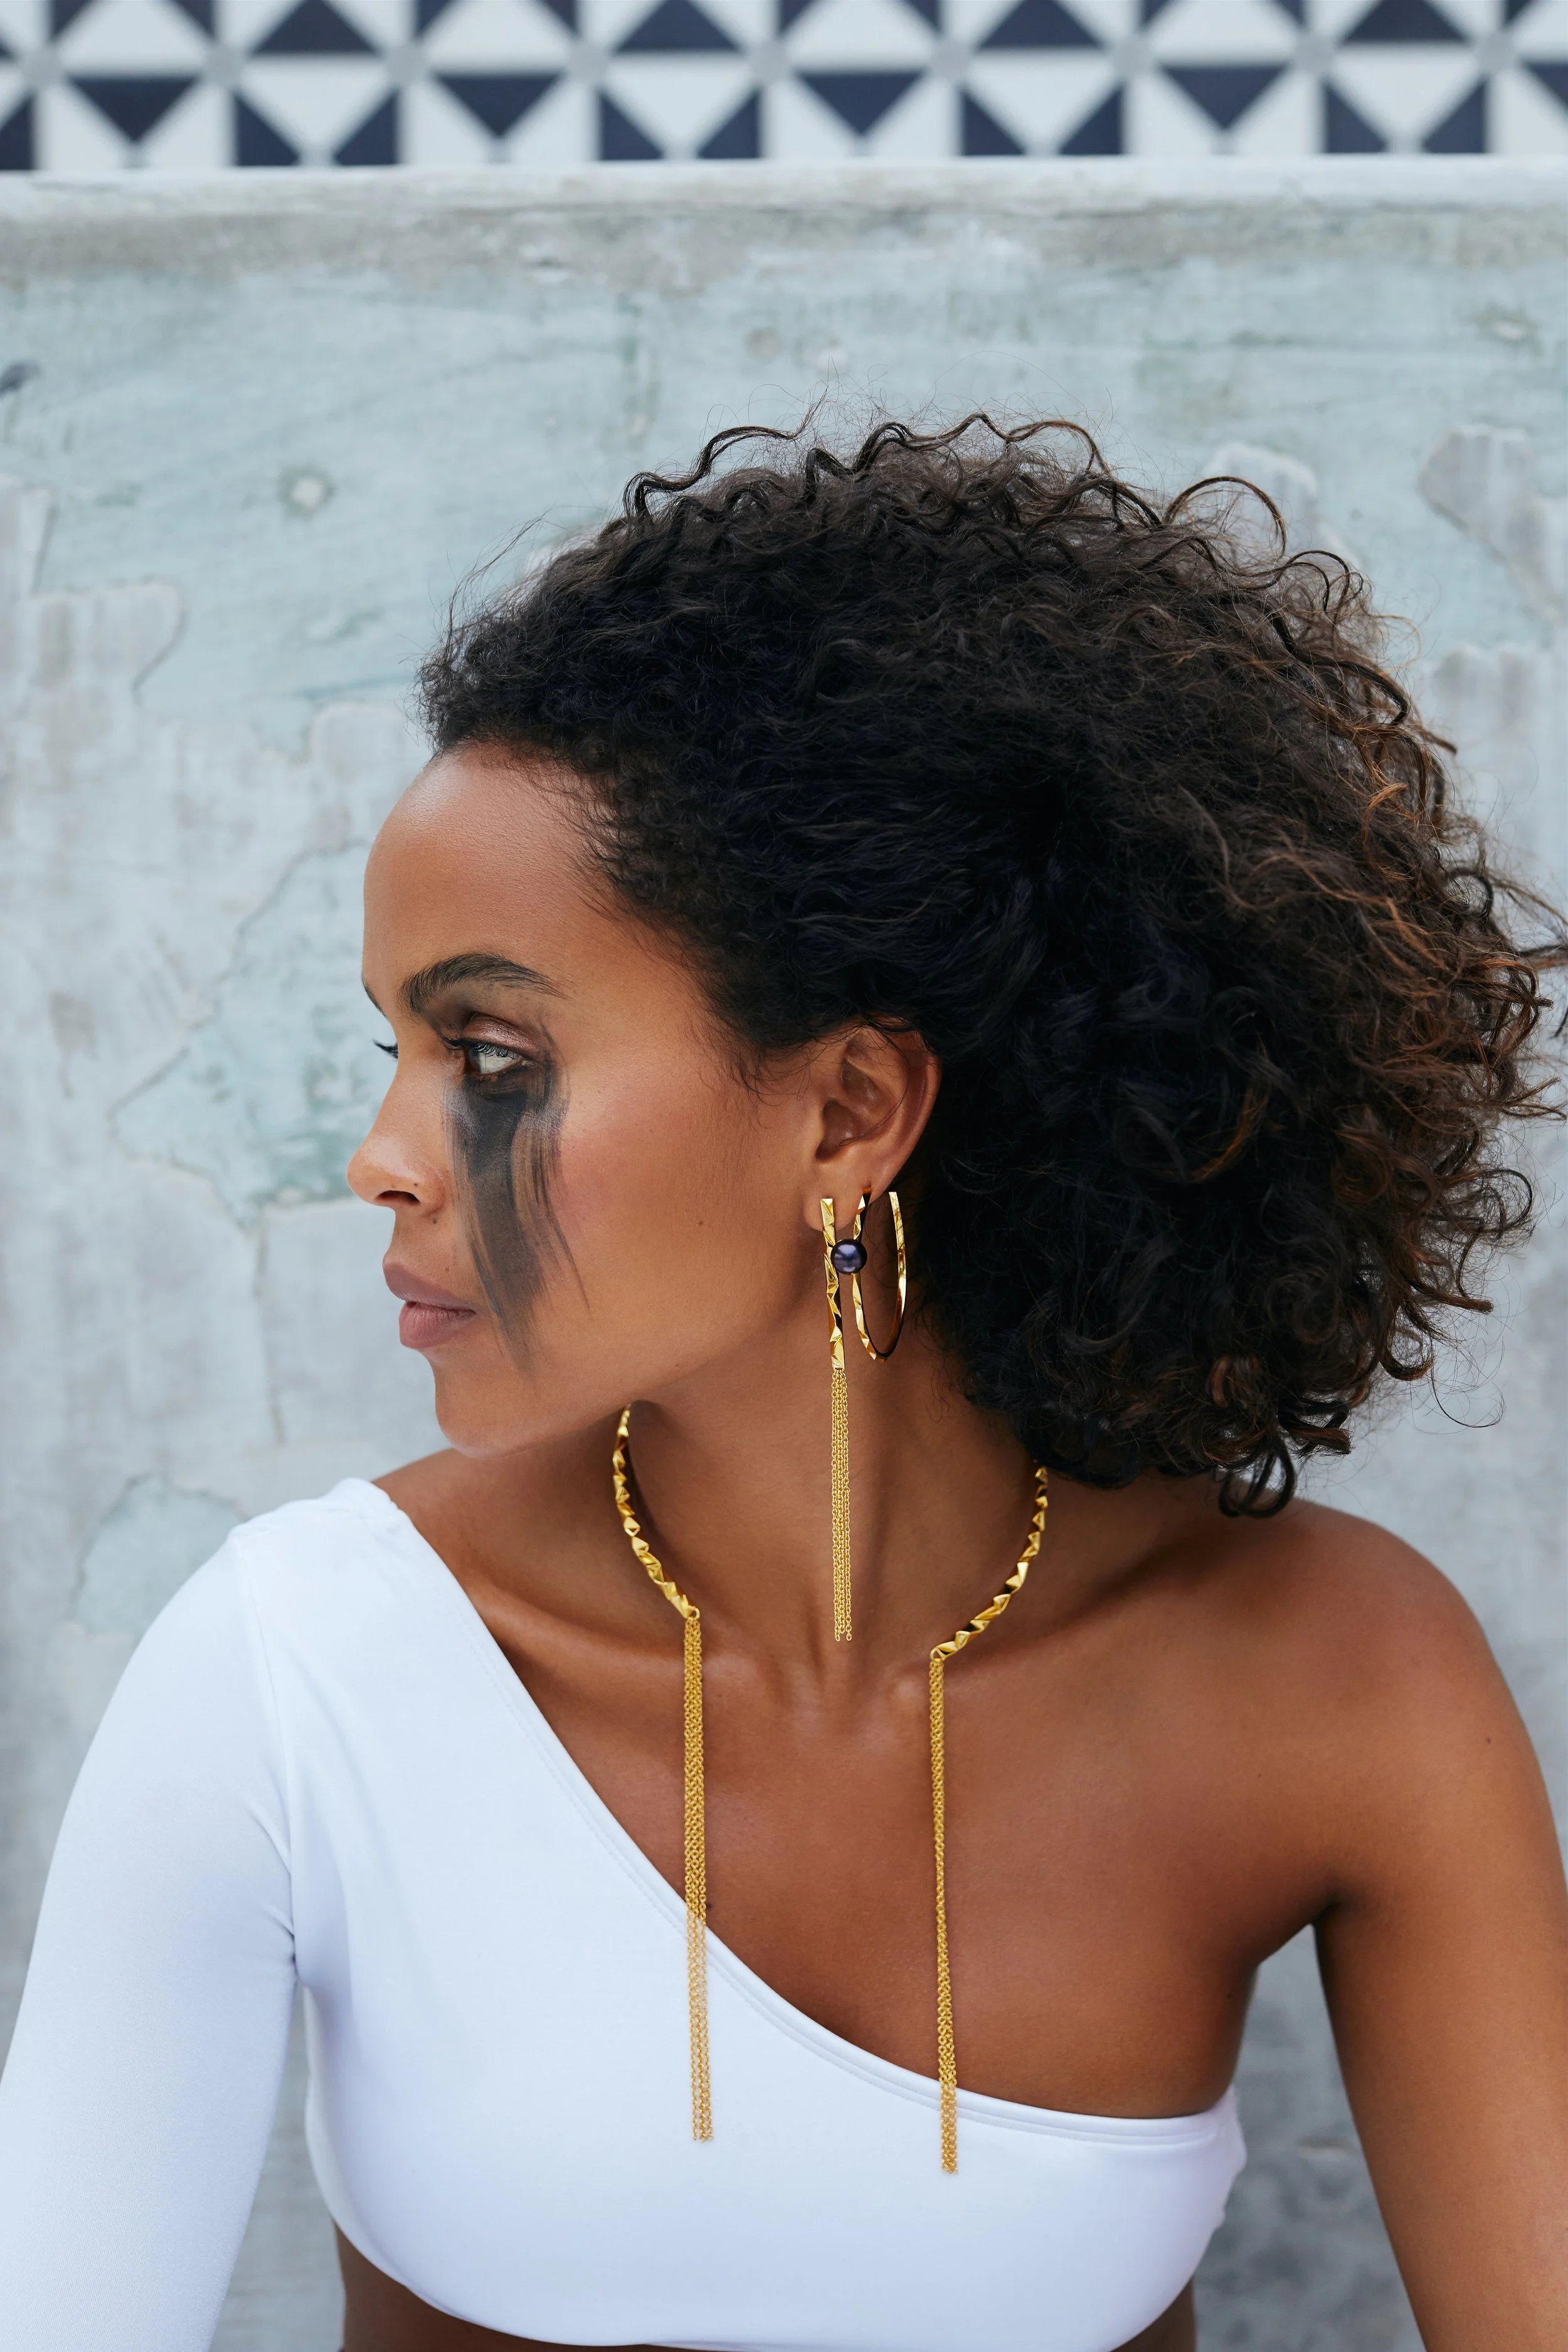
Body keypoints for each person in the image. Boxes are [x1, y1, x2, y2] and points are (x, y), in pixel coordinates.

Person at [1, 416, 1565, 2352]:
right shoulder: (301, 1666)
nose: (383, 1157)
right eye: (396, 1049)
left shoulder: (1334, 1677)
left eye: (491, 1054)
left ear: (847, 1111)